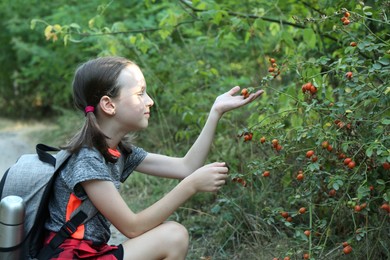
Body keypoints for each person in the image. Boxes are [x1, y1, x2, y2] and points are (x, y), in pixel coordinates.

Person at [42, 56, 263, 260]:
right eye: (140, 93)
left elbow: (186, 167)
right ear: (109, 105)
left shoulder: (117, 152)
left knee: (174, 235)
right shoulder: (87, 159)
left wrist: (215, 112)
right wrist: (191, 186)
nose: (150, 101)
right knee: (173, 236)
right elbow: (132, 227)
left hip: (91, 253)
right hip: (71, 256)